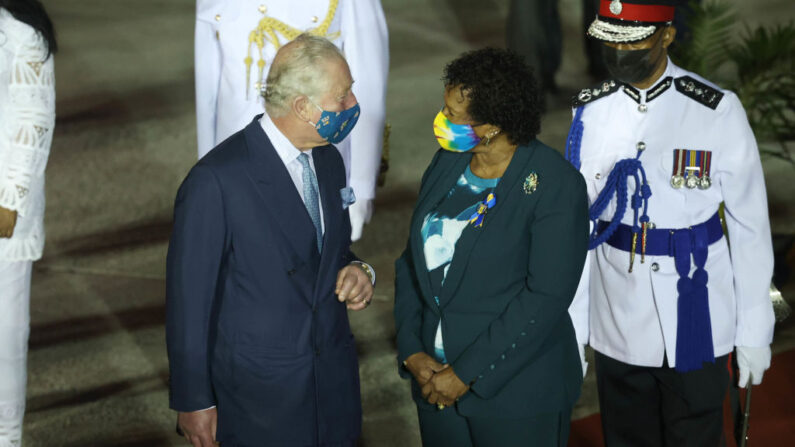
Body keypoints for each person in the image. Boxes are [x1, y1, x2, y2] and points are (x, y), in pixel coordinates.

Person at [565, 1, 775, 445]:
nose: (620, 53)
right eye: (611, 40)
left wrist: (754, 329)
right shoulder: (590, 110)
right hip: (617, 316)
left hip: (695, 313)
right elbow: (581, 227)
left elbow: (749, 226)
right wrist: (575, 323)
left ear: (667, 35)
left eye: (634, 40)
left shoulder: (715, 110)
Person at [167, 34, 376, 447]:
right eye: (342, 95)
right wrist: (193, 401)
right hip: (261, 400)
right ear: (302, 106)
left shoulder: (329, 158)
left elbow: (327, 251)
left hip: (331, 391)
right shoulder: (217, 181)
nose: (353, 105)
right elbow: (189, 300)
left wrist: (358, 269)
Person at [394, 48, 589, 446]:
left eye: (452, 114)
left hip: (516, 394)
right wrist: (412, 348)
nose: (440, 120)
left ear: (492, 126)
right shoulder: (448, 162)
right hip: (435, 386)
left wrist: (465, 374)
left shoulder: (555, 185)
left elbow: (546, 297)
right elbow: (412, 261)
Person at [194, 0, 389, 241]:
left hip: (311, 161)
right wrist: (207, 174)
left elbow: (366, 84)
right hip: (237, 154)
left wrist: (360, 185)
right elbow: (207, 85)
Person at [0, 0, 56, 444]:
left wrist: (11, 198)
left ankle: (8, 436)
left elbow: (34, 118)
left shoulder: (20, 31)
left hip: (2, 214)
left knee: (4, 337)